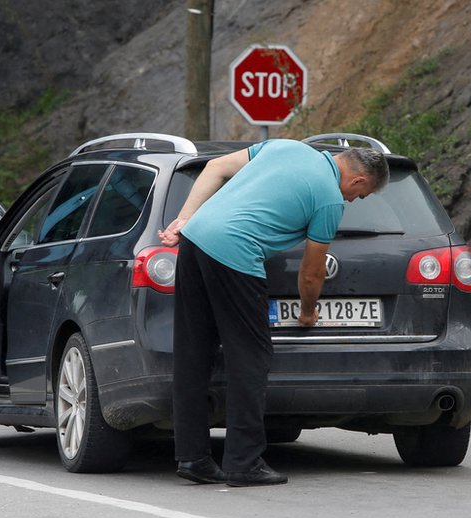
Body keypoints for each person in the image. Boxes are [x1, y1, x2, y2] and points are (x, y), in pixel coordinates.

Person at [158, 138, 389, 487]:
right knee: (250, 357)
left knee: (194, 353)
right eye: (361, 194)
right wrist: (308, 312)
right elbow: (312, 272)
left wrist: (183, 220)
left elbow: (214, 167)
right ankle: (243, 462)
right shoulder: (329, 198)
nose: (353, 200)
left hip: (194, 240)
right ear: (358, 180)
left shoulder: (285, 146)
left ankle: (193, 458)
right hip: (234, 254)